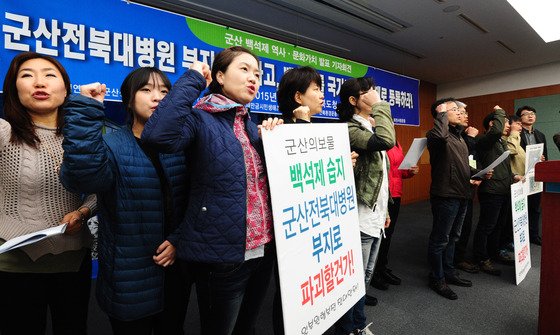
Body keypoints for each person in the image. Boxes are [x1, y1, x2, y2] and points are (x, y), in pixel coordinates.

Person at [141, 46, 282, 335]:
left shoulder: (252, 126)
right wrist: (193, 80)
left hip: (263, 249)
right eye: (244, 69)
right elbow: (157, 135)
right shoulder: (199, 117)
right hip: (224, 255)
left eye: (257, 73)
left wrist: (274, 141)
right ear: (219, 75)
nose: (253, 78)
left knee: (248, 327)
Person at [59, 67, 192, 334]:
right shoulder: (112, 142)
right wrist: (86, 111)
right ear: (128, 100)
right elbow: (83, 180)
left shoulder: (182, 143)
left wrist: (179, 240)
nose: (158, 98)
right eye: (146, 90)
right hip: (128, 275)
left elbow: (196, 200)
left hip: (176, 269)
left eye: (165, 91)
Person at [0, 51, 95, 335]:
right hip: (14, 263)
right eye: (27, 75)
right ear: (14, 89)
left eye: (49, 75)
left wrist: (83, 211)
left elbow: (99, 189)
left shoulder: (81, 138)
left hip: (73, 260)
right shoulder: (5, 131)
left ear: (66, 89)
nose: (39, 82)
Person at [333, 77, 395, 335]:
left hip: (375, 214)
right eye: (368, 92)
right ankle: (348, 328)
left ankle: (357, 325)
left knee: (365, 278)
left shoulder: (367, 126)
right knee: (354, 280)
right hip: (359, 216)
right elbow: (387, 142)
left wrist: (386, 209)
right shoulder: (349, 128)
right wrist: (381, 105)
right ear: (353, 100)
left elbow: (380, 174)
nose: (374, 94)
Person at [426, 98, 477, 300]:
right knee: (440, 240)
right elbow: (439, 137)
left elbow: (462, 166)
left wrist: (478, 174)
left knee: (453, 237)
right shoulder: (437, 134)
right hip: (445, 195)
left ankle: (448, 272)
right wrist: (440, 114)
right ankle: (436, 278)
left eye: (459, 109)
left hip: (462, 193)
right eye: (454, 110)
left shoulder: (459, 137)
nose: (460, 112)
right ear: (441, 113)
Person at [473, 106, 523, 276]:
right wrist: (499, 112)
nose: (509, 126)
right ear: (493, 124)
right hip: (491, 191)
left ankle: (493, 253)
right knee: (487, 226)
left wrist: (514, 176)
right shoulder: (485, 140)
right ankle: (481, 258)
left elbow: (503, 167)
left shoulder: (501, 142)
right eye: (506, 123)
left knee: (498, 226)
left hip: (503, 190)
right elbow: (494, 133)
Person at [369, 140, 418, 293]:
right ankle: (373, 272)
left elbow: (399, 170)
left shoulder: (396, 143)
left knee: (388, 235)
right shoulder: (376, 139)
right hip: (382, 195)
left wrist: (410, 171)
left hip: (396, 193)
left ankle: (382, 267)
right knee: (378, 235)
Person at [453, 101, 481, 274]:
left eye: (464, 112)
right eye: (460, 112)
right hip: (454, 190)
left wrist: (476, 174)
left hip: (467, 187)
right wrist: (470, 138)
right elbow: (460, 159)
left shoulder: (464, 135)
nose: (465, 115)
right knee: (453, 229)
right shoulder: (456, 136)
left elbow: (471, 158)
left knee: (466, 226)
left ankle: (459, 258)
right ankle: (452, 261)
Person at [516, 106, 547, 246]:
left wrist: (543, 160)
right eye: (526, 114)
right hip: (520, 176)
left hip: (535, 176)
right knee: (520, 208)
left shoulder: (540, 135)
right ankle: (517, 237)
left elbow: (545, 156)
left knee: (535, 208)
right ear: (520, 118)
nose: (530, 116)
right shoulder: (516, 133)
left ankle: (533, 235)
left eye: (533, 113)